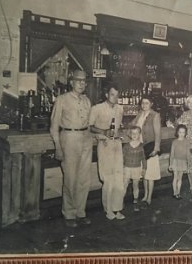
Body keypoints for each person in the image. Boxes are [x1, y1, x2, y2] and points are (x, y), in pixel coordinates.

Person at [50, 70, 92, 228]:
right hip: (69, 138)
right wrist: (58, 147)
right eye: (78, 80)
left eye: (84, 81)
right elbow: (54, 126)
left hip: (85, 138)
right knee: (70, 178)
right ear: (71, 82)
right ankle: (69, 213)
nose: (81, 83)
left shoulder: (87, 100)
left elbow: (90, 123)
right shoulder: (62, 99)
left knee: (84, 179)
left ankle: (80, 212)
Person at [90, 85, 125, 220]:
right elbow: (90, 127)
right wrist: (103, 132)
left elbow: (118, 127)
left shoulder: (120, 109)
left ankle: (118, 209)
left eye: (117, 95)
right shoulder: (97, 108)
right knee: (108, 178)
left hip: (117, 144)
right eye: (112, 94)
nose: (115, 98)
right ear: (106, 94)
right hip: (104, 144)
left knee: (118, 177)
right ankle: (108, 209)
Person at [130, 96, 161, 206]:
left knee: (150, 174)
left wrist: (156, 148)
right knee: (144, 173)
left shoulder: (155, 115)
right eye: (143, 103)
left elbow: (158, 133)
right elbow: (132, 125)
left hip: (150, 146)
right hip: (141, 146)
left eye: (146, 103)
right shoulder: (140, 114)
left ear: (151, 104)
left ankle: (149, 197)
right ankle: (145, 195)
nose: (144, 105)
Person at [123, 126, 147, 212]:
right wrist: (122, 167)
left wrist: (144, 168)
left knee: (135, 185)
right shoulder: (126, 146)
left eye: (136, 133)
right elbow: (122, 157)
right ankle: (121, 201)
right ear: (130, 134)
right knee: (124, 184)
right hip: (127, 168)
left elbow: (144, 158)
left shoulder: (141, 146)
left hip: (137, 168)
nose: (134, 135)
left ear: (139, 134)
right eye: (133, 133)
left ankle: (136, 200)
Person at [169, 124, 191, 200]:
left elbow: (188, 153)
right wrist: (170, 164)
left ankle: (178, 192)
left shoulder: (187, 142)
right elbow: (172, 154)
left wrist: (188, 163)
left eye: (183, 132)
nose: (181, 134)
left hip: (183, 161)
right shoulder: (174, 142)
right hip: (175, 161)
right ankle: (174, 192)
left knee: (180, 178)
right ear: (177, 132)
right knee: (175, 177)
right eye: (180, 132)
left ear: (185, 133)